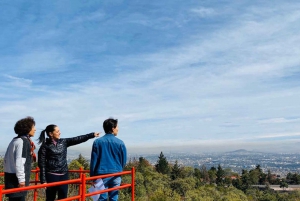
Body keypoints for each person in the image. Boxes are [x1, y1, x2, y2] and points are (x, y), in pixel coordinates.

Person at [37, 124, 100, 201]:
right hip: (51, 175)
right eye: (57, 131)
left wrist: (92, 135)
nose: (60, 133)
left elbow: (77, 139)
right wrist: (43, 180)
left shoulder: (63, 142)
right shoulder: (45, 146)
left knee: (63, 197)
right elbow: (41, 163)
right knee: (50, 198)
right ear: (51, 134)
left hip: (64, 175)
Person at [90, 118, 127, 201]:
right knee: (114, 198)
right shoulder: (120, 143)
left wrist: (92, 177)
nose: (118, 129)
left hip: (101, 175)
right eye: (117, 127)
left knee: (102, 199)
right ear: (113, 128)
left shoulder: (97, 142)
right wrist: (119, 169)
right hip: (116, 174)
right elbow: (123, 160)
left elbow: (94, 161)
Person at [4, 116, 37, 201]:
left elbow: (6, 159)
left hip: (10, 176)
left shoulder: (14, 140)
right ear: (27, 128)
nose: (35, 129)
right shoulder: (24, 141)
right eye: (33, 127)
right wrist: (21, 180)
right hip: (17, 180)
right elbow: (20, 161)